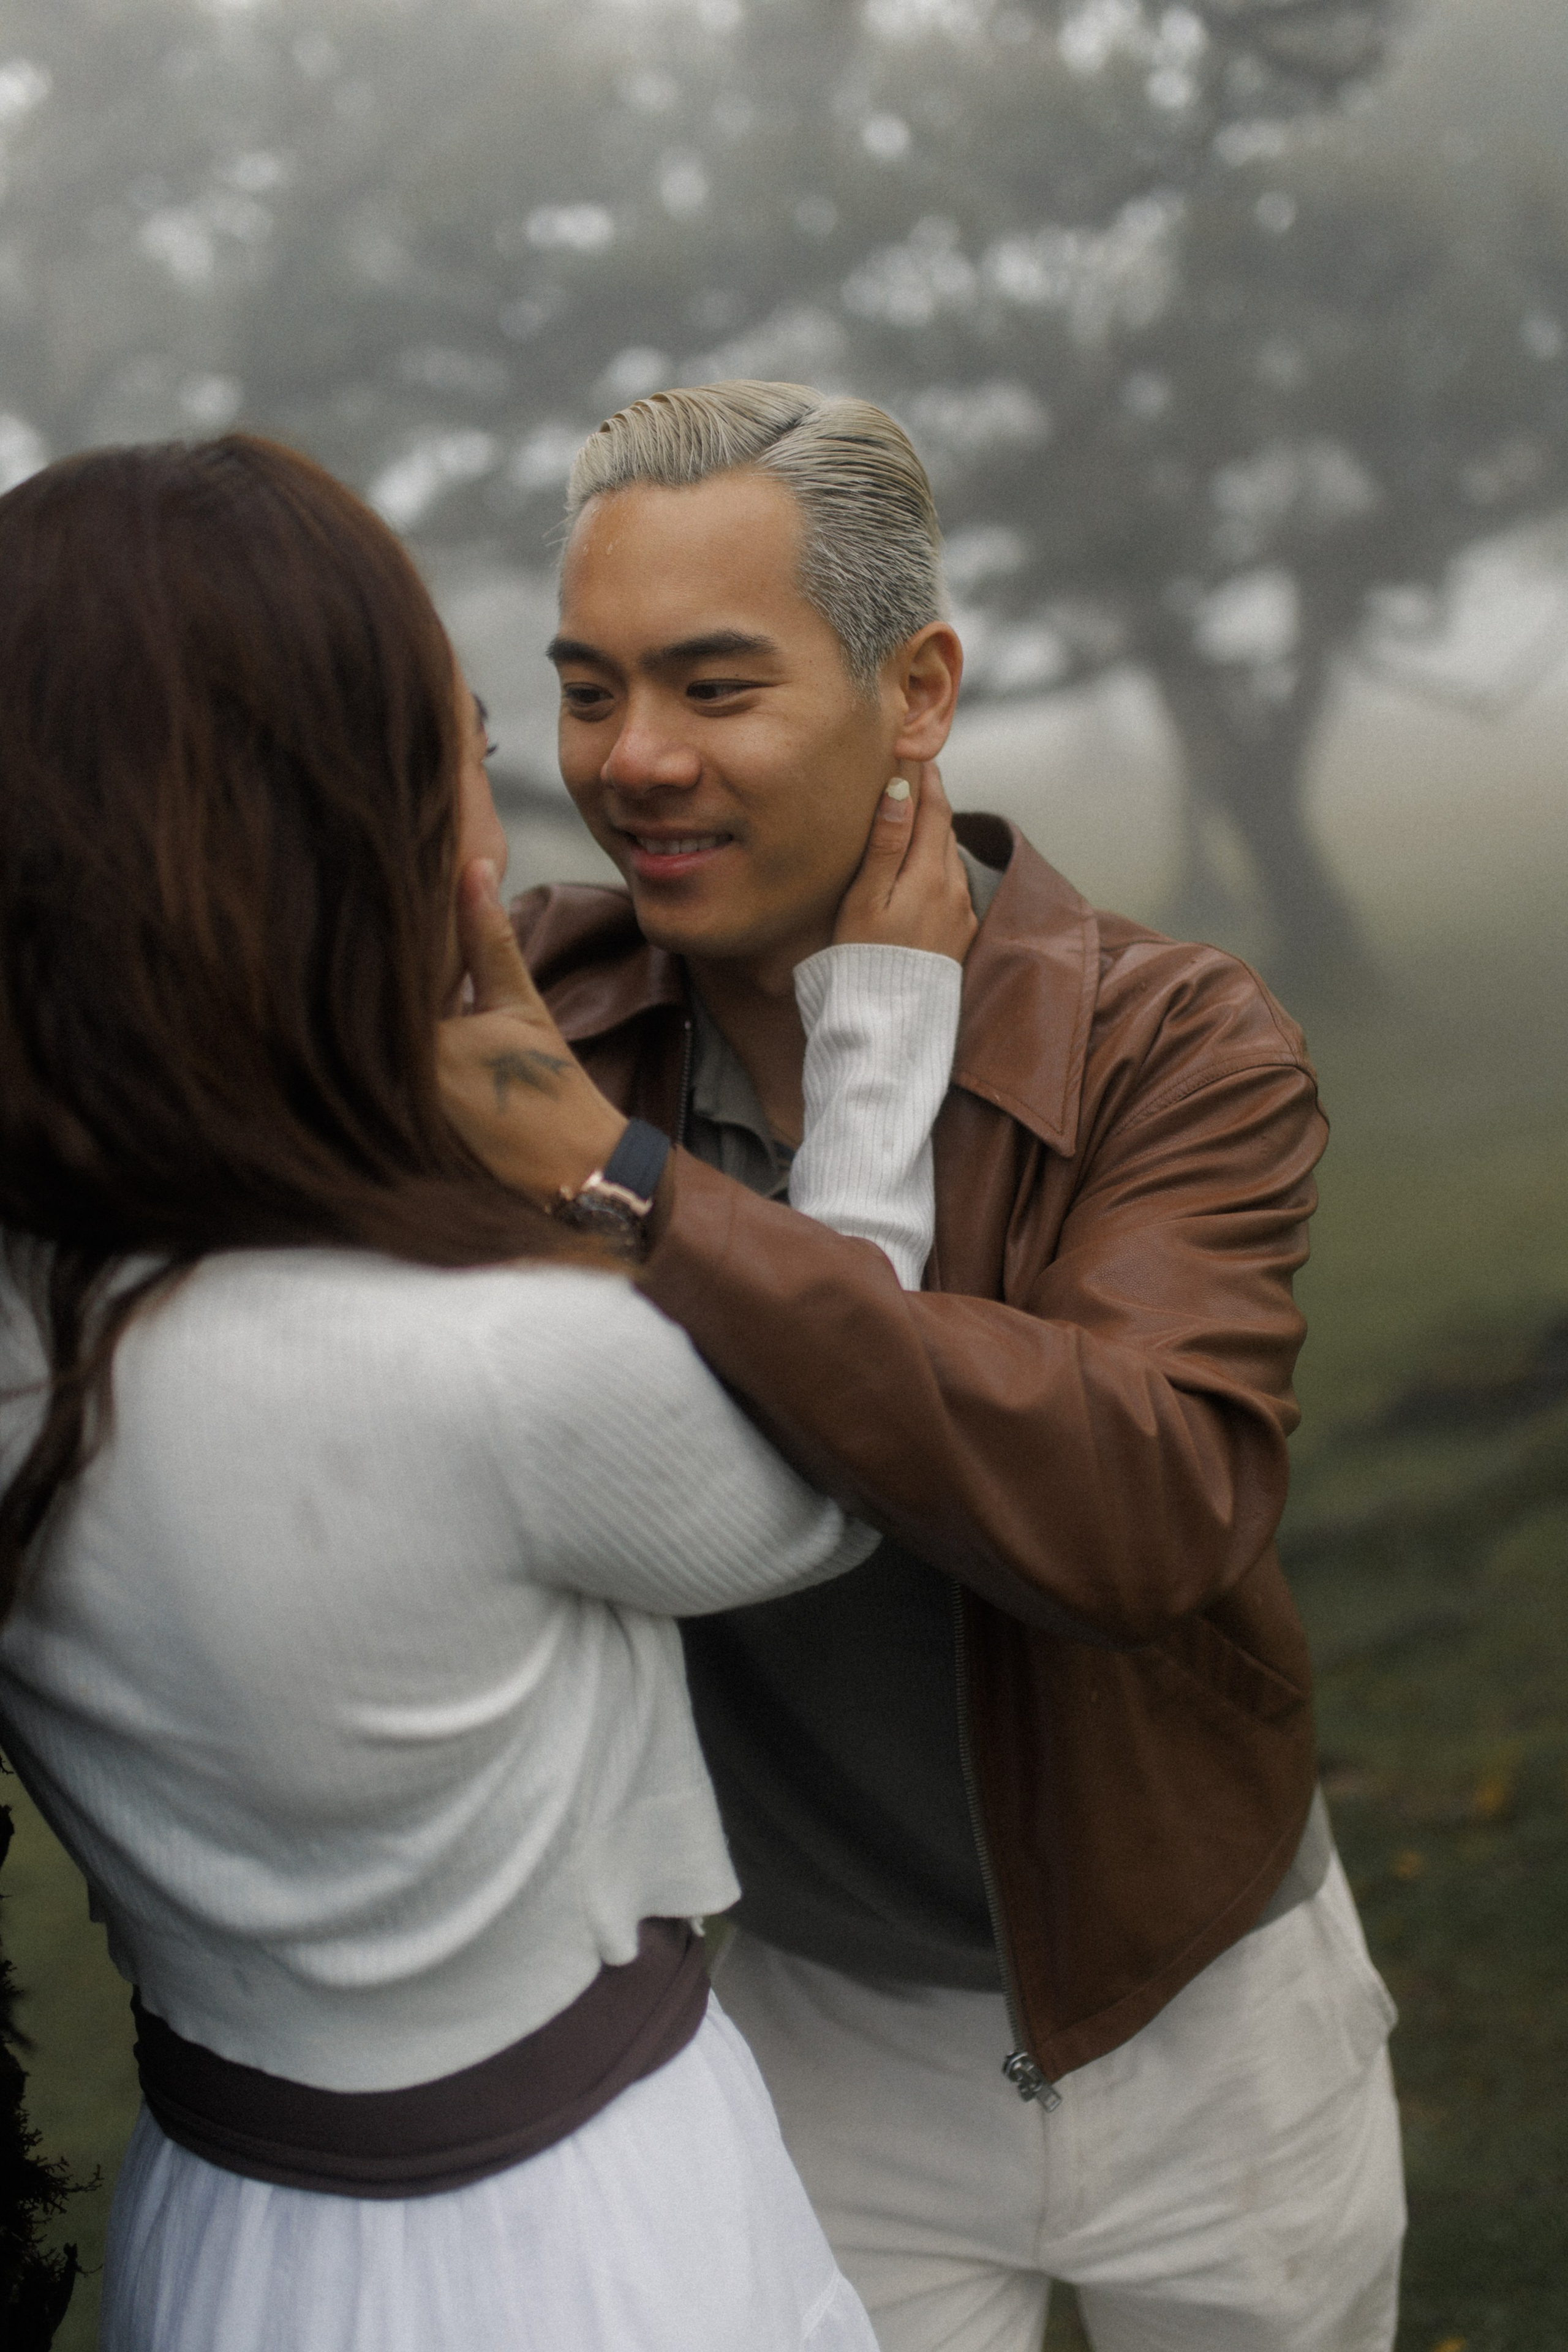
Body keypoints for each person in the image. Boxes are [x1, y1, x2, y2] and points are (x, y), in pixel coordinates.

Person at [439, 380, 1408, 2352]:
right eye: (588, 690)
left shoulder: (1172, 1043)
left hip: (1216, 2019)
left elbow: (1145, 1504)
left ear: (920, 688)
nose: (633, 762)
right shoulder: (531, 1026)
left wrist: (638, 1195)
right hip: (807, 2029)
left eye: (716, 687)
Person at [0, 434, 971, 2352]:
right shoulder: (493, 1359)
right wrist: (879, 1040)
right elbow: (837, 1455)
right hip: (576, 2242)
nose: (521, 793)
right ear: (337, 837)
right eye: (457, 733)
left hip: (222, 2221)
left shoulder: (40, 1309)